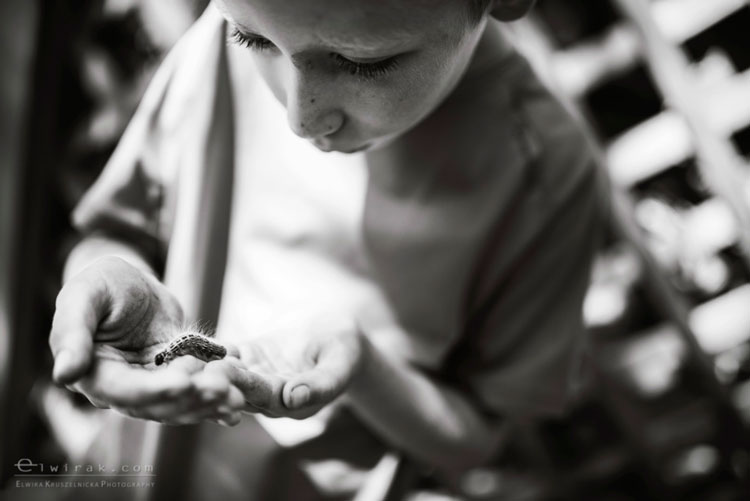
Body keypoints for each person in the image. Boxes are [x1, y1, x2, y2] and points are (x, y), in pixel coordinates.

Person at [49, 0, 608, 495]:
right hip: (127, 469)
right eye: (255, 40)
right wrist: (103, 277)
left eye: (362, 62)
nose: (300, 117)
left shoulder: (548, 179)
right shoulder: (221, 43)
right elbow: (117, 232)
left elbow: (477, 436)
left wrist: (364, 368)